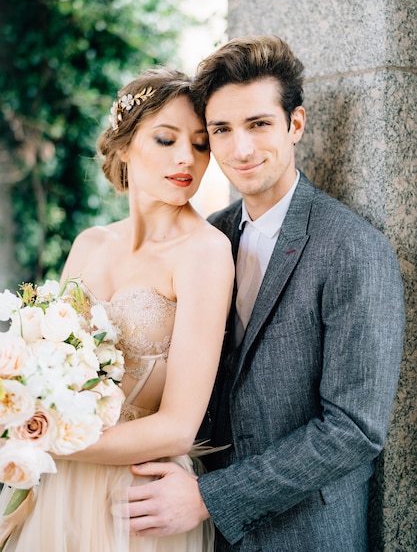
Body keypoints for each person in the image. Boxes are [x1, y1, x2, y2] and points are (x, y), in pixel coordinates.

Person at [121, 36, 405, 551]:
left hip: (306, 535)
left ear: (294, 125)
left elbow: (353, 430)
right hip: (199, 534)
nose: (241, 149)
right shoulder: (211, 235)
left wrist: (212, 497)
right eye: (221, 131)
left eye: (258, 124)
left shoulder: (354, 248)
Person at [1, 66, 234, 552]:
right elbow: (48, 371)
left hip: (136, 497)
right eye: (166, 140)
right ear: (125, 145)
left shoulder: (206, 253)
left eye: (199, 143)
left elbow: (177, 427)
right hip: (54, 487)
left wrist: (45, 442)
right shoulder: (89, 243)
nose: (186, 159)